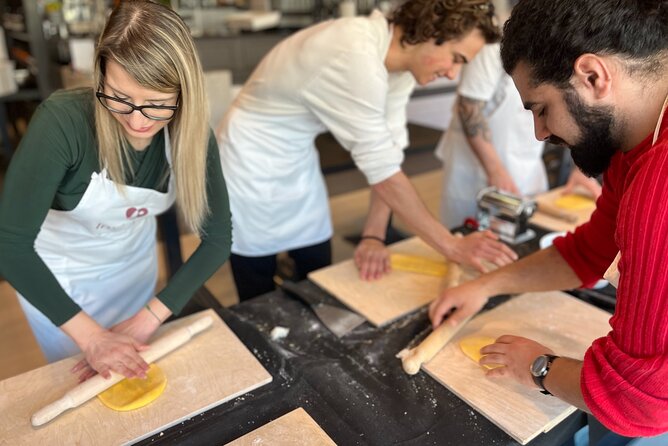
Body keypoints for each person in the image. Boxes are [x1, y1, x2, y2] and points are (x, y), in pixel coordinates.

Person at [429, 0, 668, 439]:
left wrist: (538, 367)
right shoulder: (631, 151)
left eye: (540, 108)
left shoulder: (660, 181)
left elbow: (637, 401)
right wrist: (483, 286)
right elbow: (590, 252)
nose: (540, 133)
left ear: (592, 76)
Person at [218, 0, 516, 299]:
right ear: (430, 32)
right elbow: (383, 170)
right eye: (455, 58)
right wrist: (451, 246)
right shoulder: (354, 53)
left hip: (295, 154)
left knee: (315, 262)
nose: (453, 74)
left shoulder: (396, 66)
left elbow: (390, 154)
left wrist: (373, 236)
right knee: (258, 284)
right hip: (249, 158)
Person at [0, 0, 232, 381]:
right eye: (120, 99)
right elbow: (10, 246)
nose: (137, 121)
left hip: (134, 274)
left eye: (157, 104)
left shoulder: (191, 135)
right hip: (61, 285)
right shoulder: (63, 124)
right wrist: (91, 338)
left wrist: (149, 317)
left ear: (182, 94)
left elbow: (218, 237)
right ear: (100, 76)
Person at [436, 42, 548, 229]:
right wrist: (496, 171)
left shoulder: (562, 48)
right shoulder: (492, 49)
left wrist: (578, 169)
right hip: (477, 172)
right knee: (468, 237)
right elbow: (468, 109)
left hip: (528, 164)